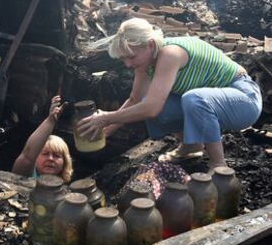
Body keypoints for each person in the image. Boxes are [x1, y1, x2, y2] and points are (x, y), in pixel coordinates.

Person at [77, 17, 262, 172]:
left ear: (150, 45)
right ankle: (191, 147)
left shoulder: (170, 53)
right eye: (123, 58)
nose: (127, 64)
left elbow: (151, 108)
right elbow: (135, 100)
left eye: (131, 57)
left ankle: (219, 167)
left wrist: (107, 117)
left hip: (244, 100)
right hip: (215, 101)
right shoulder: (145, 63)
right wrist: (104, 132)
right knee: (154, 103)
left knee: (192, 99)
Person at [12, 95, 73, 182]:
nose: (50, 159)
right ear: (36, 158)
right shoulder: (25, 176)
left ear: (64, 162)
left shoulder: (68, 191)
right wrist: (50, 120)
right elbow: (28, 156)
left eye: (56, 156)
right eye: (45, 154)